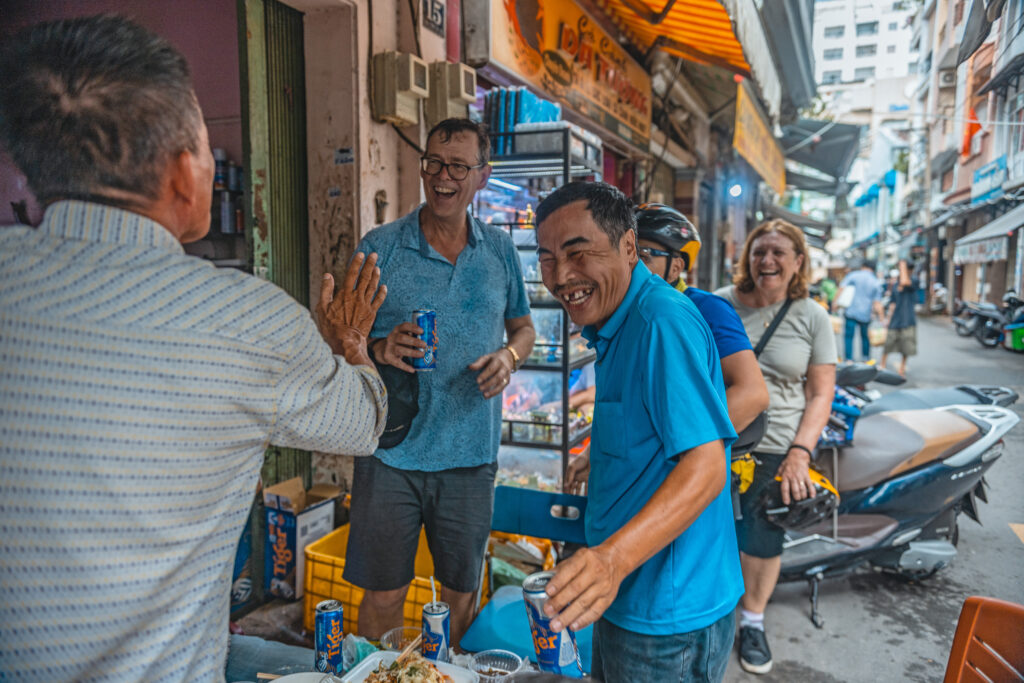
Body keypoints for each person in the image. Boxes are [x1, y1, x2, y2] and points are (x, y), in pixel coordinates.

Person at [0, 15, 387, 680]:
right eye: (207, 146)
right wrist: (353, 346)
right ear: (185, 173)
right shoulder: (250, 323)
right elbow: (364, 423)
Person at [535, 182, 741, 683]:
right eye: (546, 258)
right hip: (626, 595)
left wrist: (611, 559)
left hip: (667, 613)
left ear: (629, 248)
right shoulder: (615, 322)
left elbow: (707, 464)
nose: (561, 277)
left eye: (578, 253)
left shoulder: (658, 323)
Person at [345, 118, 535, 648]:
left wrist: (510, 357)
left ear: (482, 176)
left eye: (458, 166)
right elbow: (339, 331)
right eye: (433, 162)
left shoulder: (499, 251)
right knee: (385, 593)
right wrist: (379, 349)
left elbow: (524, 327)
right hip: (390, 454)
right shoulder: (380, 247)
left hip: (470, 457)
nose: (442, 176)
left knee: (459, 592)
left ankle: (441, 674)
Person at [563, 203, 769, 495]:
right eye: (624, 253)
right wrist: (593, 453)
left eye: (644, 256)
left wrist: (679, 452)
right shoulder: (623, 319)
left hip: (683, 485)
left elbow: (752, 394)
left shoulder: (706, 309)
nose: (631, 266)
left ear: (676, 266)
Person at [715, 220, 837, 675]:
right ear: (747, 256)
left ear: (798, 262)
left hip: (776, 447)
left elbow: (821, 392)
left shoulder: (812, 315)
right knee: (710, 530)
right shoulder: (720, 303)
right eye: (759, 251)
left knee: (763, 538)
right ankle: (713, 612)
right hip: (719, 438)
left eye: (779, 253)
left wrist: (800, 452)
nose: (767, 261)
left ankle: (752, 620)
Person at [835, 259, 884, 361]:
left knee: (848, 337)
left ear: (863, 266)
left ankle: (848, 359)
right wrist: (881, 318)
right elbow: (877, 303)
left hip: (850, 312)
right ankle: (865, 358)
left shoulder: (853, 275)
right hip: (865, 314)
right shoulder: (875, 281)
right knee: (865, 338)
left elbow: (841, 288)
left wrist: (835, 303)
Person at [880, 259, 918, 377]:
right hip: (895, 319)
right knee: (888, 344)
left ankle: (902, 368)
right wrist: (887, 318)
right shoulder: (896, 284)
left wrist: (902, 265)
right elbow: (892, 303)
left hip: (908, 320)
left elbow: (905, 281)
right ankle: (882, 365)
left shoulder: (914, 281)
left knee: (906, 347)